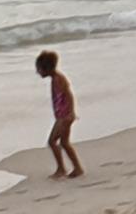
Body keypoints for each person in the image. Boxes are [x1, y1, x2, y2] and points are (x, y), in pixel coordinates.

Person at [35, 50, 84, 179]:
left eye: (39, 69)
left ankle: (63, 168)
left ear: (46, 68)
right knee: (63, 142)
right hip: (62, 116)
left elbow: (69, 94)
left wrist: (71, 112)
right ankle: (75, 168)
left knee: (53, 141)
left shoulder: (59, 79)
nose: (37, 72)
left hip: (64, 116)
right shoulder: (55, 79)